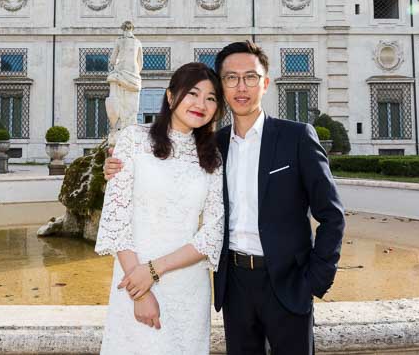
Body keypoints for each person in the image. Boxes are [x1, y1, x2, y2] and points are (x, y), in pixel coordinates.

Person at [105, 41, 345, 355]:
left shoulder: (296, 137)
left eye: (250, 77)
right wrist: (112, 169)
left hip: (287, 282)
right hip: (234, 286)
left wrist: (315, 281)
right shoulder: (214, 146)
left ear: (265, 83)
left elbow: (331, 215)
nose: (241, 86)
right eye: (231, 78)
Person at [95, 62, 226, 355]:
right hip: (134, 279)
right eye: (193, 93)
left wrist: (152, 271)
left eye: (211, 98)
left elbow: (213, 233)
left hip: (187, 287)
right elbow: (117, 219)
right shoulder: (133, 139)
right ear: (170, 97)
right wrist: (139, 289)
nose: (201, 104)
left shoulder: (213, 157)